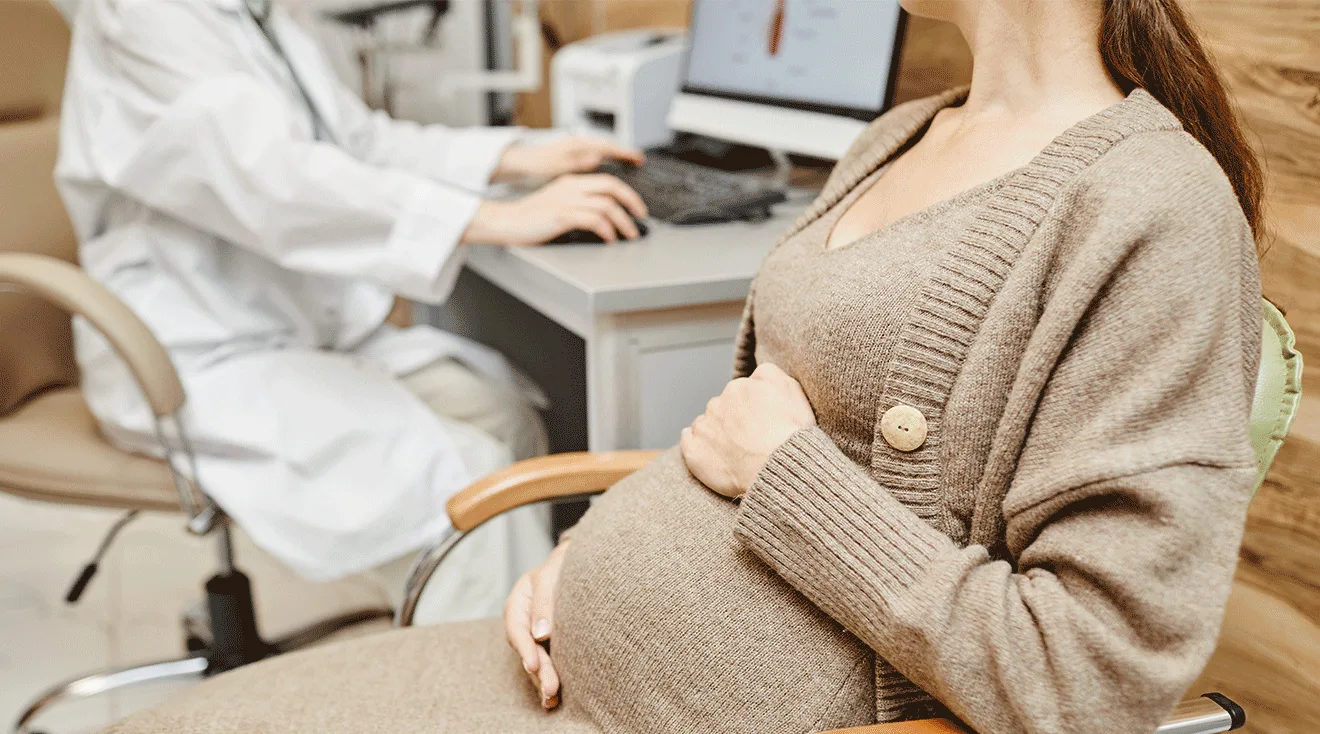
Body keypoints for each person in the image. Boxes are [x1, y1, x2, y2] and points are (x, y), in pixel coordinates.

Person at [105, 0, 1267, 732]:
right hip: (564, 667)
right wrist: (591, 554)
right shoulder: (902, 135)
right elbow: (737, 435)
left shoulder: (1147, 209)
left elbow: (1090, 678)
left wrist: (784, 474)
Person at [56, 0, 649, 616]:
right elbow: (273, 181)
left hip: (284, 327)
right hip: (192, 358)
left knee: (503, 417)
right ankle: (476, 694)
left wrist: (516, 155)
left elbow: (357, 142)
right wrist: (494, 217)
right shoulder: (143, 15)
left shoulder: (262, 14)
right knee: (463, 479)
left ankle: (520, 623)